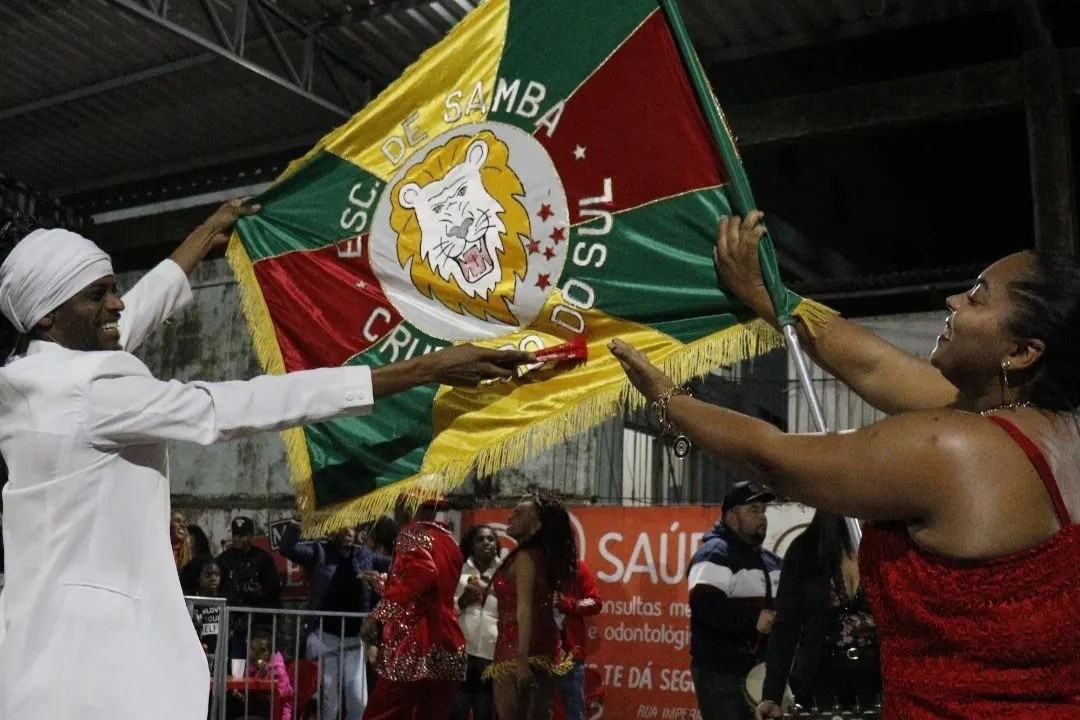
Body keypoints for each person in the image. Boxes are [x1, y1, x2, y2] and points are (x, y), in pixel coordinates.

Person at [0, 203, 534, 720]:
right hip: (89, 664)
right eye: (101, 293)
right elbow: (238, 405)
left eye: (116, 288)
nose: (117, 303)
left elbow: (133, 316)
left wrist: (205, 234)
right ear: (48, 313)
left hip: (38, 644)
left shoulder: (31, 375)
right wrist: (420, 369)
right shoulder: (90, 393)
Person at [608, 211, 1080, 719]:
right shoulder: (1056, 432)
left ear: (1022, 351)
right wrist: (773, 299)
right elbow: (872, 364)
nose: (953, 300)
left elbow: (774, 458)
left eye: (977, 297)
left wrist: (667, 399)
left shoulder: (957, 447)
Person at [756, 510, 880, 719]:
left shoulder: (882, 550)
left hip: (877, 679)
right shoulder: (804, 552)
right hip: (820, 681)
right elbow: (786, 627)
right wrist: (772, 695)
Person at [359, 498, 468, 720]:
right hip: (448, 645)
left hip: (414, 646)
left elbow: (424, 574)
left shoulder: (411, 533)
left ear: (410, 507)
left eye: (398, 503)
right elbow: (428, 591)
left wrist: (378, 615)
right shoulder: (449, 540)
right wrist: (382, 583)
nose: (396, 510)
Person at [682, 482, 781, 720]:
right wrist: (753, 619)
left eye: (763, 511)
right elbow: (705, 606)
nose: (762, 517)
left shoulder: (772, 561)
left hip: (759, 672)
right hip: (721, 672)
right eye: (753, 510)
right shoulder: (714, 553)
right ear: (731, 517)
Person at [280, 519, 391, 720]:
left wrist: (379, 579)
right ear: (332, 530)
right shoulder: (320, 551)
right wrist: (298, 523)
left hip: (354, 642)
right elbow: (288, 548)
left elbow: (396, 565)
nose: (349, 530)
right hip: (325, 639)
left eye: (351, 526)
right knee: (329, 705)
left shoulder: (365, 555)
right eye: (343, 526)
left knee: (359, 702)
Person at [488, 493, 577, 720]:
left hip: (517, 650)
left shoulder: (526, 558)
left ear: (536, 526)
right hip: (539, 650)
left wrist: (521, 661)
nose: (511, 516)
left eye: (520, 513)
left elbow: (524, 609)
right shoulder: (539, 556)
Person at [451, 524, 502, 720]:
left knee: (485, 711)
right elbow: (448, 607)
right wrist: (464, 601)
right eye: (479, 539)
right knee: (457, 709)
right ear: (471, 545)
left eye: (490, 539)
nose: (485, 543)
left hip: (491, 653)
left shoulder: (505, 571)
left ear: (496, 544)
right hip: (462, 651)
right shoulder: (460, 570)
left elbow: (512, 605)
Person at [553, 558, 602, 720]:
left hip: (570, 653)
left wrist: (568, 604)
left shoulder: (577, 567)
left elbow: (595, 602)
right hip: (538, 651)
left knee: (574, 711)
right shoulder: (533, 565)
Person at [217, 515, 282, 610]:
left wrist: (259, 591)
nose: (238, 539)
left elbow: (274, 588)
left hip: (255, 614)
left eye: (242, 536)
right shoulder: (223, 559)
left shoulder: (263, 559)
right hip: (230, 614)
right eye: (235, 535)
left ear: (251, 537)